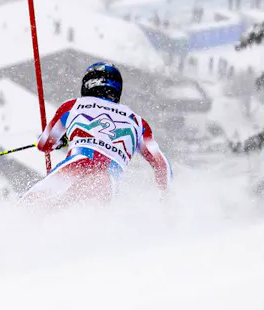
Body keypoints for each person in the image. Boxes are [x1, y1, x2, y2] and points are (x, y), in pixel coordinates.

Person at [21, 62, 172, 207]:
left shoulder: (73, 105)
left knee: (29, 207)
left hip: (78, 164)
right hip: (110, 181)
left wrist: (62, 141)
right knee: (87, 224)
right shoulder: (138, 122)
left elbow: (45, 143)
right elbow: (160, 163)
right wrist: (166, 195)